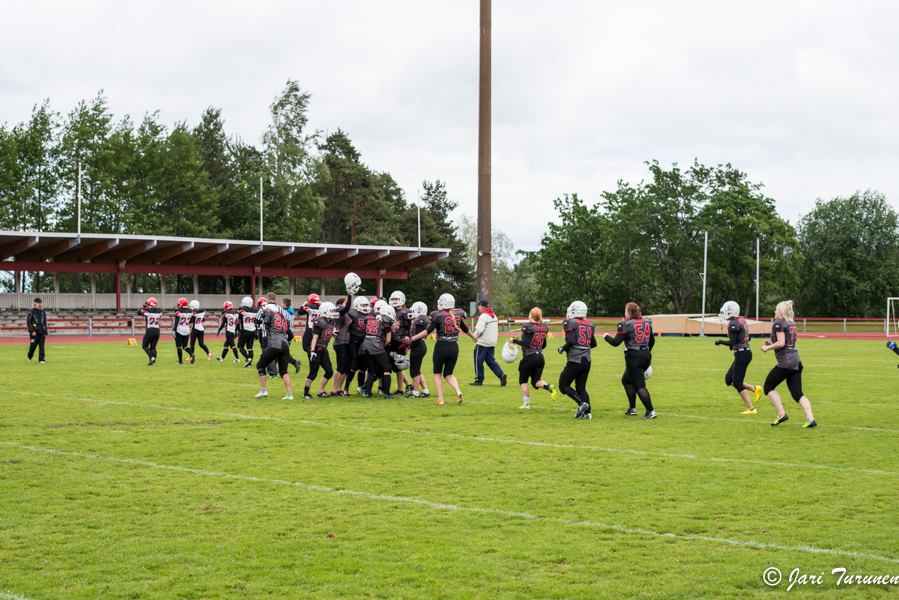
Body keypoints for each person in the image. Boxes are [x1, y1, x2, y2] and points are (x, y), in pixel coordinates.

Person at [410, 293, 477, 405]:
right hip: (454, 347)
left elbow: (428, 331)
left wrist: (413, 338)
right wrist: (473, 336)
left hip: (441, 346)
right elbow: (465, 329)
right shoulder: (458, 314)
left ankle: (441, 399)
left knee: (437, 373)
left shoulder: (438, 315)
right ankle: (457, 390)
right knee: (449, 373)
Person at [761, 300, 817, 428]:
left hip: (786, 362)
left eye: (777, 309)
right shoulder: (790, 322)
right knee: (798, 393)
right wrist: (771, 345)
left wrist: (767, 348)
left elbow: (781, 343)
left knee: (768, 386)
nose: (775, 311)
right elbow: (786, 343)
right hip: (796, 360)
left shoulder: (779, 323)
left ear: (781, 312)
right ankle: (810, 419)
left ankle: (781, 414)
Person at [603, 302, 656, 419]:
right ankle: (632, 408)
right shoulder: (646, 322)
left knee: (639, 385)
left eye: (626, 311)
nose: (624, 313)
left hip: (634, 356)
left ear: (630, 314)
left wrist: (606, 336)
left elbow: (615, 342)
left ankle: (650, 410)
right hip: (646, 354)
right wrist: (645, 353)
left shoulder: (626, 324)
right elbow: (652, 341)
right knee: (626, 380)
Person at [714, 301, 762, 414]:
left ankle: (751, 408)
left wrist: (719, 341)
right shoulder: (740, 320)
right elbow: (747, 338)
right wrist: (736, 344)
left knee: (737, 382)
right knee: (729, 380)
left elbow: (732, 341)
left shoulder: (733, 323)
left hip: (742, 354)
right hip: (743, 352)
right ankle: (755, 389)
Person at [509, 307, 556, 409]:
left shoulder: (528, 326)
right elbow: (543, 345)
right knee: (535, 381)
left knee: (523, 380)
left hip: (530, 357)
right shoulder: (544, 327)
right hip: (540, 357)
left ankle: (526, 405)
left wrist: (514, 341)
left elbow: (526, 343)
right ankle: (548, 386)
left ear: (531, 315)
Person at [558, 301, 597, 419]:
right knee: (581, 387)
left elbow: (571, 341)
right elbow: (593, 343)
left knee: (563, 385)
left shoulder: (571, 322)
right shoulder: (590, 324)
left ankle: (581, 404)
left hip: (575, 359)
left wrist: (562, 348)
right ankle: (588, 413)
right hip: (587, 360)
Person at [253, 292, 294, 400]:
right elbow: (289, 329)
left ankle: (263, 391)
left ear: (267, 299)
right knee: (284, 371)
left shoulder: (265, 308)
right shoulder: (282, 311)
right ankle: (289, 394)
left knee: (260, 365)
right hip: (284, 343)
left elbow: (257, 321)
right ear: (276, 299)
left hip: (273, 342)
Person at [305, 301, 343, 398]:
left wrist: (333, 334)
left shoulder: (331, 321)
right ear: (325, 311)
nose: (333, 312)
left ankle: (321, 391)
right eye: (331, 311)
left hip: (324, 350)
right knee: (313, 372)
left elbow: (328, 332)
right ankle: (306, 393)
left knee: (329, 371)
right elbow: (315, 337)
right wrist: (312, 351)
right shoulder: (320, 321)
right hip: (316, 349)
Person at [360, 303, 397, 398]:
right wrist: (382, 346)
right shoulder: (386, 321)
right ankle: (387, 394)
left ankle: (368, 393)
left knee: (372, 370)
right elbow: (388, 340)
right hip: (376, 347)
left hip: (365, 347)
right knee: (387, 369)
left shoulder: (370, 318)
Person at [471, 299, 507, 387]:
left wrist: (475, 336)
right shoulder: (494, 315)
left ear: (482, 307)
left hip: (483, 342)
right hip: (492, 342)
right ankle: (501, 374)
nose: (478, 308)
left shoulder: (483, 316)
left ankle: (479, 380)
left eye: (479, 306)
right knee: (490, 361)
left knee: (478, 359)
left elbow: (479, 329)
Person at [345, 296, 371, 395]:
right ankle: (346, 387)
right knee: (354, 364)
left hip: (364, 341)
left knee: (363, 366)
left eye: (366, 305)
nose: (365, 307)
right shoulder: (352, 313)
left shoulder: (369, 313)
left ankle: (361, 388)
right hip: (354, 341)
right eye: (363, 305)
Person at [389, 291, 414, 394]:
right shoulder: (390, 309)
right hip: (392, 340)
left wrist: (408, 342)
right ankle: (408, 385)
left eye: (397, 299)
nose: (394, 301)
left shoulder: (405, 312)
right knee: (394, 365)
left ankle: (400, 389)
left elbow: (410, 328)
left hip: (401, 341)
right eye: (393, 299)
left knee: (398, 365)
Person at [407, 301, 431, 398]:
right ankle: (425, 390)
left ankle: (415, 392)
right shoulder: (419, 319)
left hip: (418, 346)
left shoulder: (420, 319)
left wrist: (409, 347)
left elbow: (418, 337)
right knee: (417, 370)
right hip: (420, 346)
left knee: (414, 371)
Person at [254, 297, 278, 378]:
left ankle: (272, 372)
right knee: (276, 351)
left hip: (266, 334)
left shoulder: (264, 308)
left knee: (267, 352)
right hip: (278, 334)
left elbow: (257, 321)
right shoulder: (280, 308)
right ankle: (278, 369)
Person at [138, 297, 163, 365]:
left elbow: (139, 312)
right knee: (153, 347)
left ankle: (151, 357)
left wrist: (143, 306)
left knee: (145, 346)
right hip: (157, 330)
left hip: (150, 330)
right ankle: (153, 362)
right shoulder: (159, 311)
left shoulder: (147, 310)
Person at [172, 297, 195, 364]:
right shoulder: (190, 311)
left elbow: (176, 321)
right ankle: (191, 354)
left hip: (179, 329)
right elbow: (192, 321)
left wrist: (174, 330)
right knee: (185, 346)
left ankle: (180, 361)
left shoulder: (178, 311)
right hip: (187, 329)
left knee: (179, 346)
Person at [237, 297, 258, 368]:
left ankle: (247, 358)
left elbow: (239, 321)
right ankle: (249, 364)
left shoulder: (242, 310)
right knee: (250, 348)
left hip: (245, 330)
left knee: (240, 347)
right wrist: (256, 332)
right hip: (253, 330)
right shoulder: (256, 311)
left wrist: (237, 330)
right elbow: (256, 322)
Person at [26, 298, 48, 364]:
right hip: (34, 332)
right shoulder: (31, 312)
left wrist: (45, 332)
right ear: (35, 303)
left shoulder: (43, 313)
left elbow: (44, 322)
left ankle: (41, 359)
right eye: (39, 303)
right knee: (33, 346)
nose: (40, 304)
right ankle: (30, 356)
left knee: (42, 346)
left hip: (41, 332)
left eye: (40, 303)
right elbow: (29, 322)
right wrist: (32, 331)